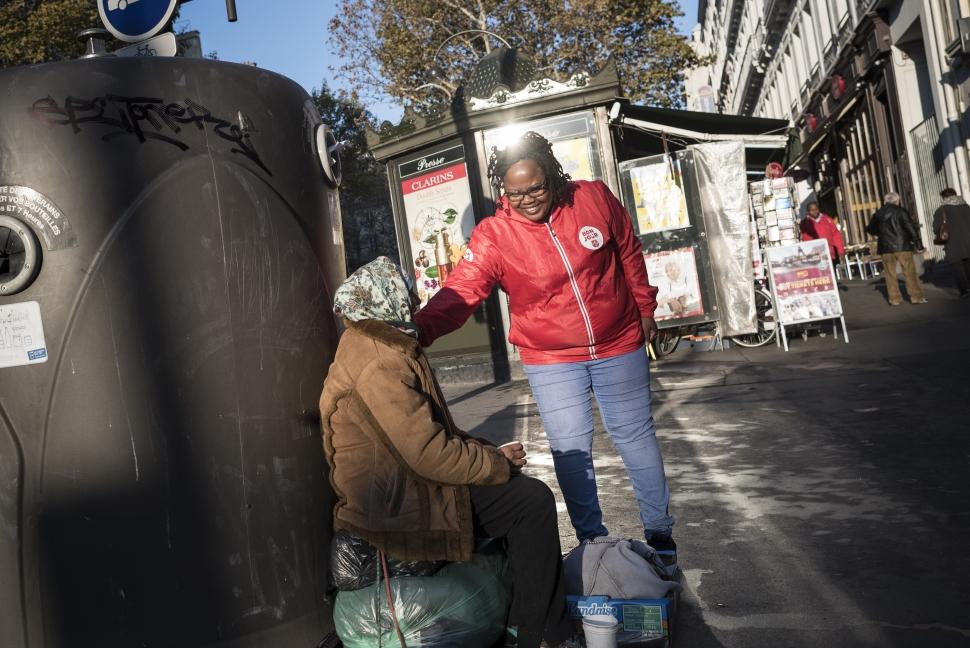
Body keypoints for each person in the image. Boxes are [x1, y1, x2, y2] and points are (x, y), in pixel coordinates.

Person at [414, 131, 676, 553]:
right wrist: (417, 331)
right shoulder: (494, 236)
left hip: (619, 341)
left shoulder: (591, 197)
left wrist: (645, 309)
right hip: (551, 357)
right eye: (514, 193)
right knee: (571, 448)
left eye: (535, 187)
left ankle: (661, 535)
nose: (527, 199)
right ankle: (592, 541)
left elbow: (628, 249)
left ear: (552, 175)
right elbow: (461, 291)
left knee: (634, 435)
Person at [319, 257, 580, 648]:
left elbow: (430, 433)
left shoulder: (377, 343)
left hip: (403, 486)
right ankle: (540, 633)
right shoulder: (379, 362)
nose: (414, 301)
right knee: (531, 502)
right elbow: (427, 453)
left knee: (514, 493)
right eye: (407, 295)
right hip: (398, 500)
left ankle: (526, 623)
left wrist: (490, 454)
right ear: (386, 300)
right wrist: (494, 464)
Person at [867, 192, 927, 306]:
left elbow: (870, 229)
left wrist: (881, 233)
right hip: (902, 245)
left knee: (890, 274)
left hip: (885, 247)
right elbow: (910, 227)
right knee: (909, 272)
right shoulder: (901, 211)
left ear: (885, 201)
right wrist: (918, 244)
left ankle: (894, 299)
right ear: (897, 200)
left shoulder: (877, 214)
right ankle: (916, 297)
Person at [933, 188, 970, 298]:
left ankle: (965, 289)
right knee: (968, 263)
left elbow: (936, 228)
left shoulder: (942, 210)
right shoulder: (966, 207)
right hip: (968, 241)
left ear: (944, 198)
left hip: (953, 243)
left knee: (957, 266)